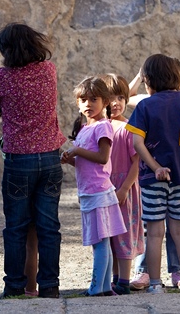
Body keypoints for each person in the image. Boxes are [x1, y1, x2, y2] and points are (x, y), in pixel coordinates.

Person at [0, 22, 66, 299]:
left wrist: (0, 104)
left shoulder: (2, 78)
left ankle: (14, 286)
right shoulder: (49, 71)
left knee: (16, 227)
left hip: (18, 161)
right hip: (49, 159)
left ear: (6, 51)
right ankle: (50, 286)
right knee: (49, 226)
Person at [127, 53, 180, 294]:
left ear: (148, 82)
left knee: (154, 233)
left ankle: (155, 284)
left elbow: (137, 143)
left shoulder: (145, 105)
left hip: (152, 179)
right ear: (179, 78)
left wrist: (155, 168)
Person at [61, 76, 127, 296]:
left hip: (99, 191)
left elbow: (102, 157)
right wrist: (70, 159)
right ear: (78, 103)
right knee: (101, 241)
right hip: (90, 192)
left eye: (94, 99)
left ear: (105, 101)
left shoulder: (103, 126)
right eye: (83, 100)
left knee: (100, 241)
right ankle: (105, 287)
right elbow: (84, 163)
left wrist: (77, 151)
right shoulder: (84, 129)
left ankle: (96, 287)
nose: (88, 104)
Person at [100, 73, 144, 295]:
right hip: (103, 189)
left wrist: (125, 188)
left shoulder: (128, 128)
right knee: (108, 236)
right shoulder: (99, 127)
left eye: (120, 97)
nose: (116, 103)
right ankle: (115, 278)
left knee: (124, 234)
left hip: (122, 189)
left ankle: (124, 282)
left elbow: (137, 161)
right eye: (110, 97)